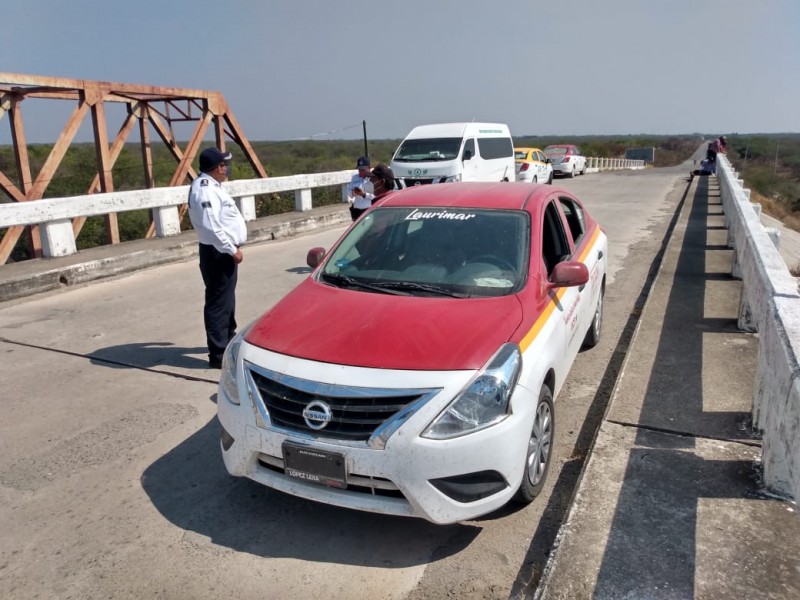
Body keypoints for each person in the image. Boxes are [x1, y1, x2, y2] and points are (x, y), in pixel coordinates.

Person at [188, 147, 247, 369]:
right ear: (217, 167)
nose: (227, 169)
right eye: (225, 165)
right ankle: (219, 353)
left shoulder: (213, 186)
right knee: (218, 302)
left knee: (226, 299)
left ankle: (228, 339)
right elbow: (211, 225)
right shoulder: (205, 190)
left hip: (221, 249)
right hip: (218, 251)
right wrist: (231, 249)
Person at [346, 155, 373, 221]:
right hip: (357, 211)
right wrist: (352, 192)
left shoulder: (373, 179)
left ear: (369, 168)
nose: (360, 172)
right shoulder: (355, 178)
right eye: (359, 170)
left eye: (363, 170)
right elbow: (349, 191)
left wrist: (363, 194)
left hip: (368, 210)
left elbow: (376, 196)